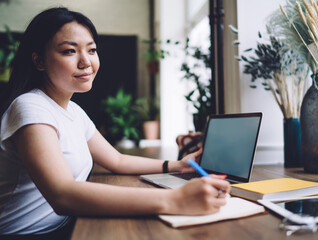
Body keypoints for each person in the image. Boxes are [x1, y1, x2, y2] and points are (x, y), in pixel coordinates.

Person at [0, 7, 230, 238]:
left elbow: (117, 160)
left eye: (92, 50)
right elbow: (62, 195)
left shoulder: (73, 111)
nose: (86, 62)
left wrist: (179, 165)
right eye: (70, 51)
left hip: (62, 227)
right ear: (39, 60)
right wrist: (176, 199)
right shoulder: (30, 107)